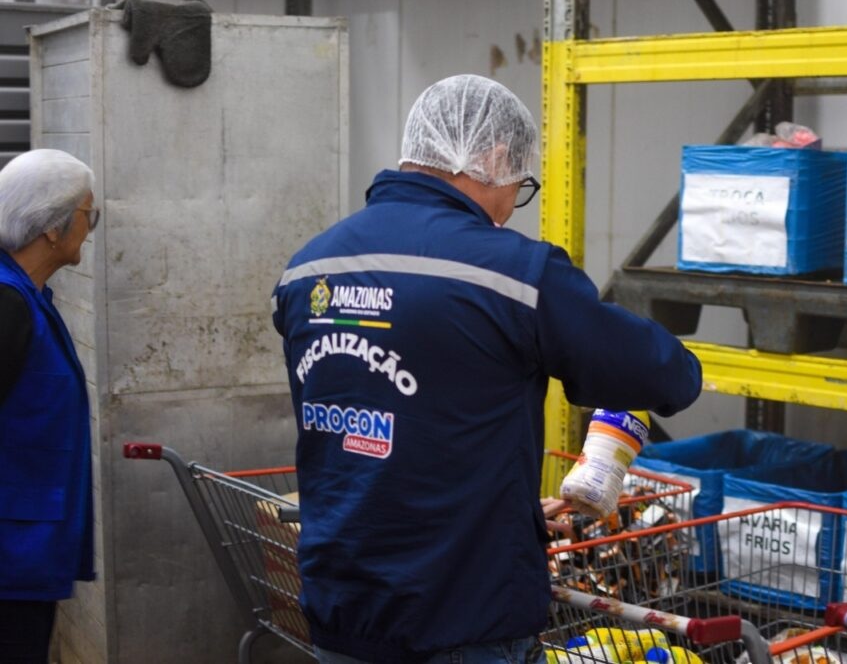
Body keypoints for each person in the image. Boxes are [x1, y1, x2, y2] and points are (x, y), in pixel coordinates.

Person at [272, 74, 702, 664]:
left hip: (340, 608)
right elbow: (665, 375)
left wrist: (509, 515)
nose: (509, 208)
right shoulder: (513, 274)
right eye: (519, 186)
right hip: (463, 620)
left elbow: (406, 422)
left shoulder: (305, 270)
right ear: (496, 158)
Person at [0, 149, 99, 663]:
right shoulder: (7, 305)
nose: (92, 228)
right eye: (89, 215)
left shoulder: (30, 296)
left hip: (25, 557)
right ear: (52, 228)